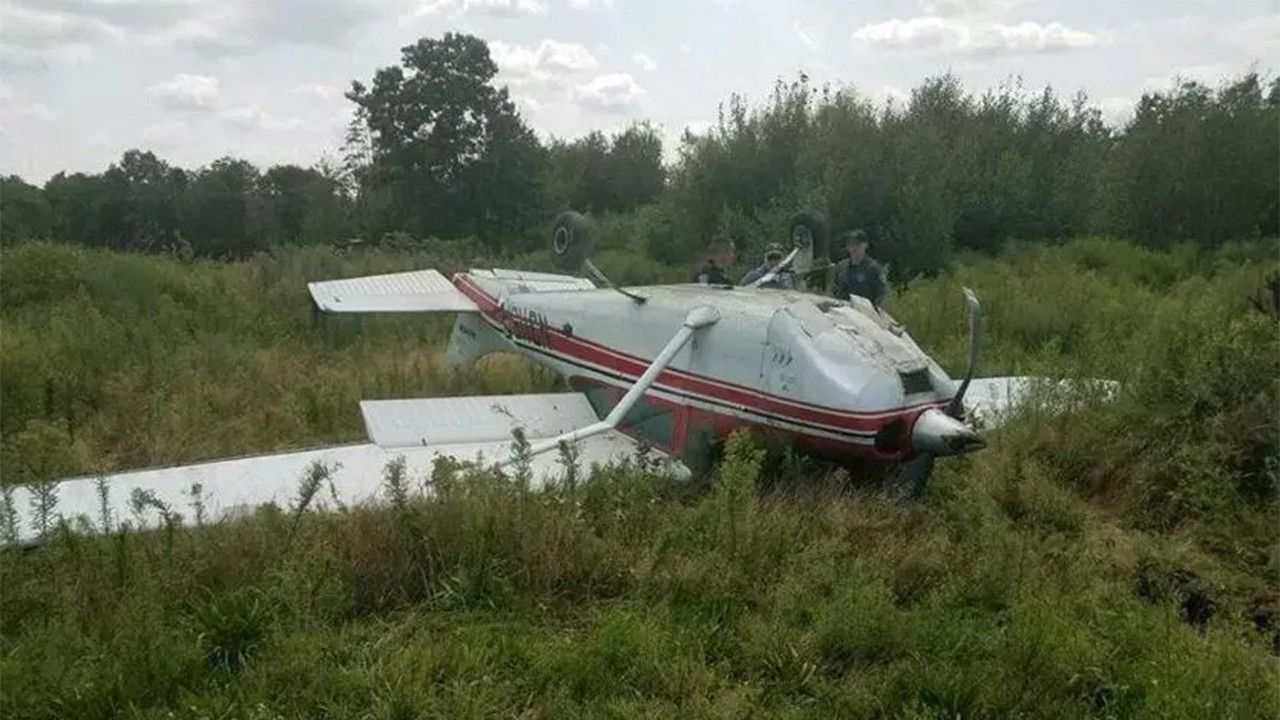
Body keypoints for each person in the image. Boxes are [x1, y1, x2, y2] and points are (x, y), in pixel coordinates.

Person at [828, 229, 886, 306]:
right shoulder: (841, 267)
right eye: (851, 244)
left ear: (866, 245)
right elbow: (833, 292)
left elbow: (880, 296)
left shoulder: (873, 269)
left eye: (858, 244)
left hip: (864, 311)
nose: (854, 247)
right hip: (842, 310)